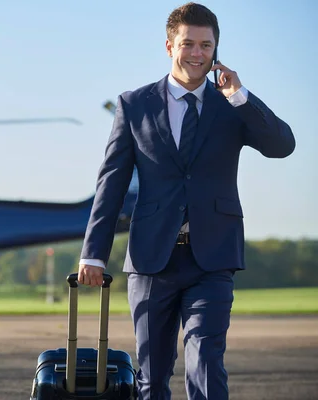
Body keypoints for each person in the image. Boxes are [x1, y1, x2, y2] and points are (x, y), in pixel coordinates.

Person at [77, 2, 295, 399]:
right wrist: (93, 253)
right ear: (169, 46)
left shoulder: (232, 107)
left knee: (207, 361)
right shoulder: (134, 104)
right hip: (150, 260)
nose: (197, 54)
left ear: (216, 50)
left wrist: (241, 96)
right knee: (152, 374)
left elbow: (282, 146)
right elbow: (111, 183)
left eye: (206, 46)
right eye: (188, 44)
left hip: (212, 258)